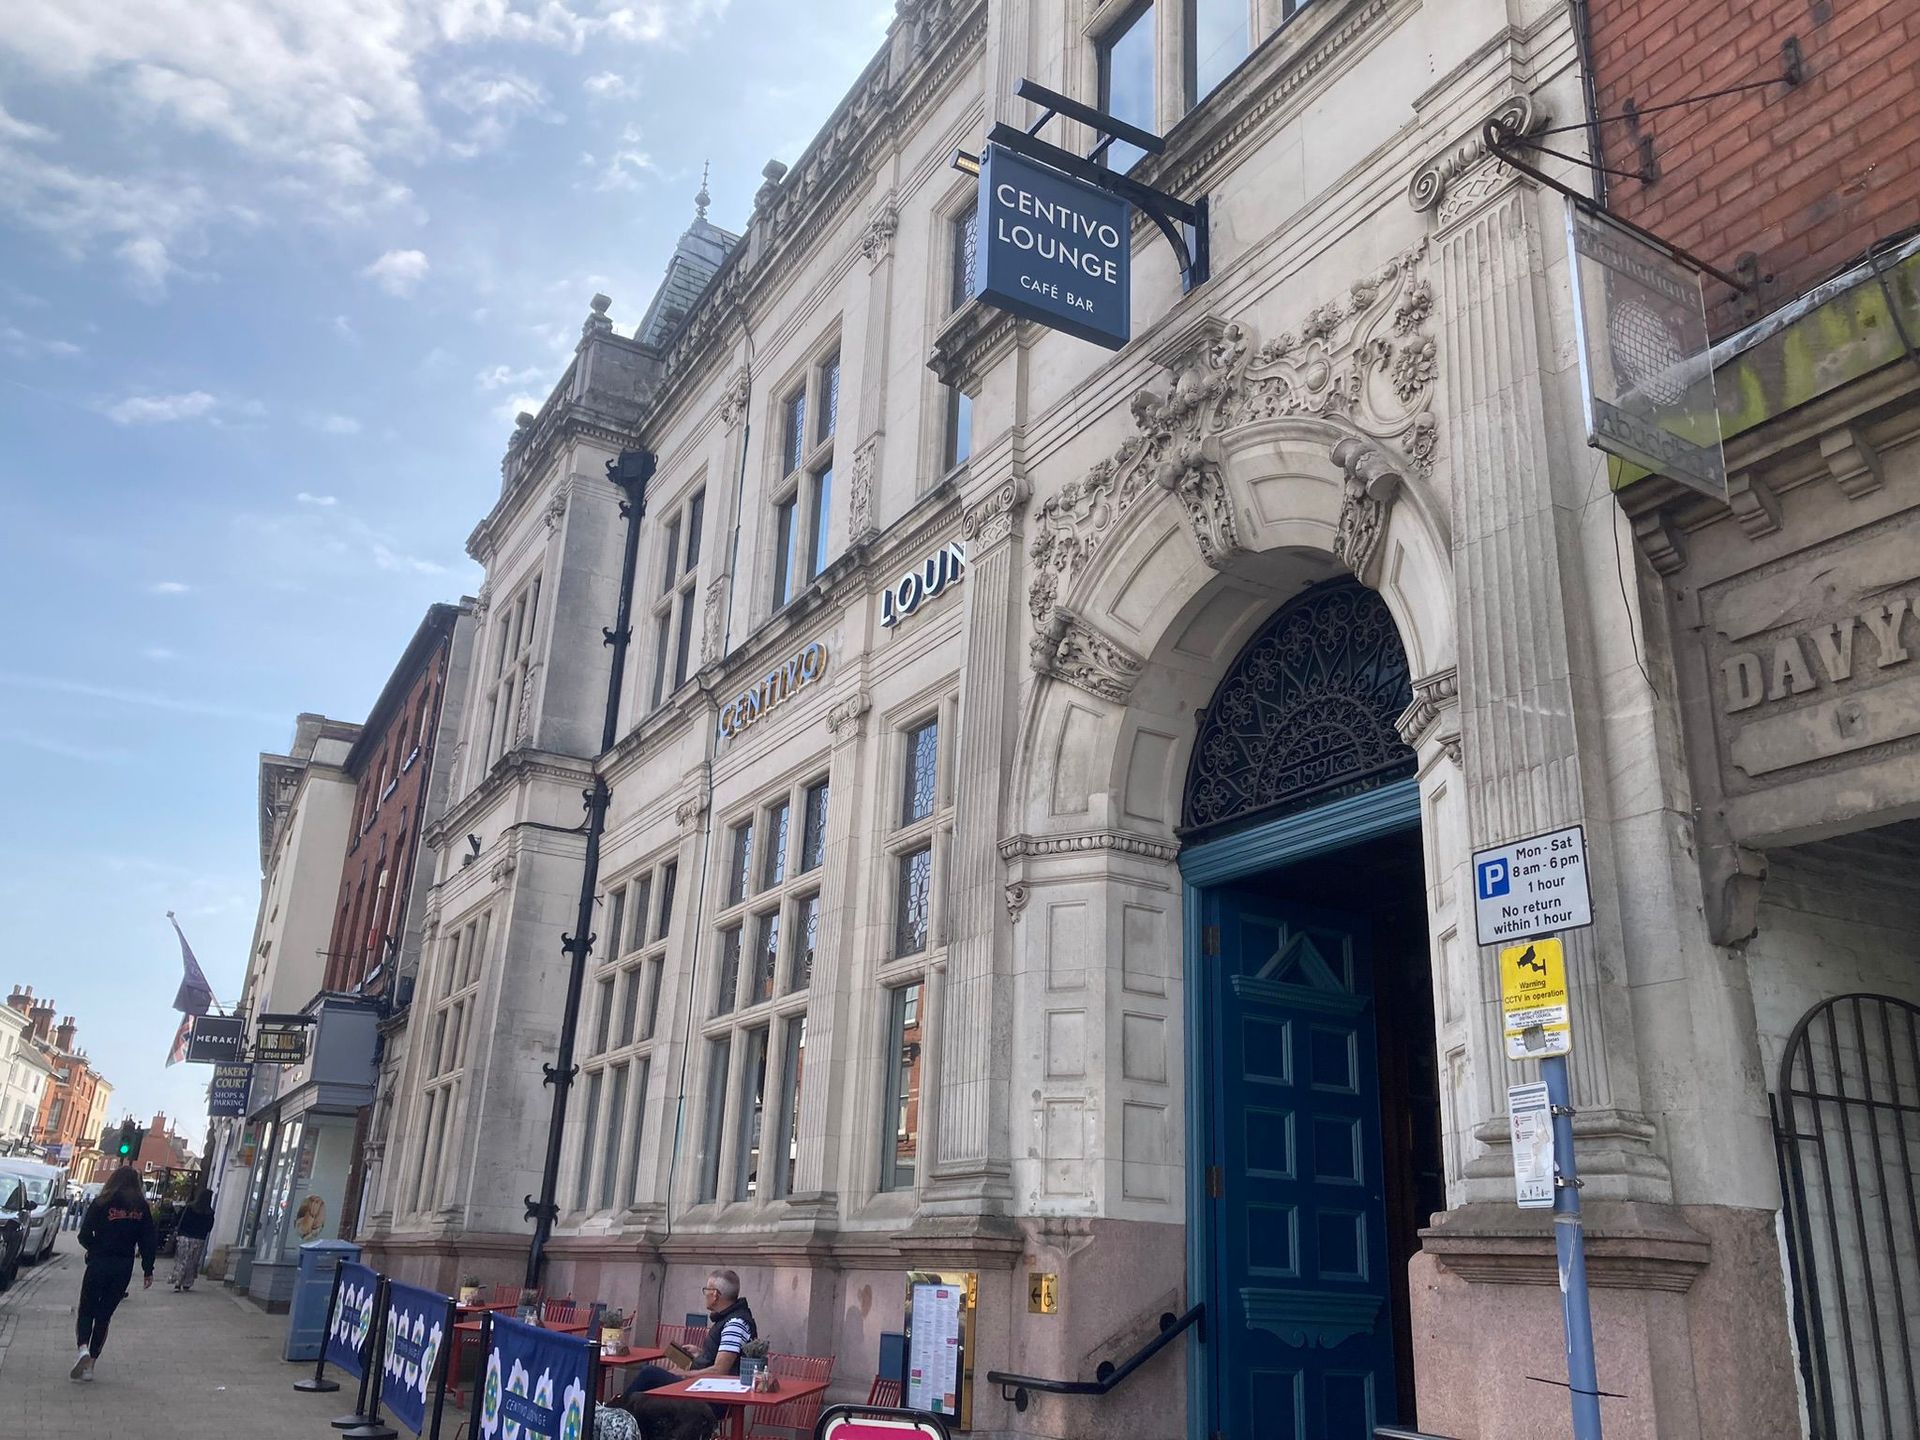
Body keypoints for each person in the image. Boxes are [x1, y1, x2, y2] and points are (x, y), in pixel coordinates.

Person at [72, 1165, 155, 1381]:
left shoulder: (101, 1202)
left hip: (98, 1262)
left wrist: (94, 1248)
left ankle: (82, 1348)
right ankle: (91, 1365)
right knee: (104, 1315)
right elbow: (148, 1240)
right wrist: (148, 1269)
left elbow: (83, 1234)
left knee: (87, 1309)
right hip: (123, 1266)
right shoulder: (141, 1208)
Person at [619, 1269, 757, 1399]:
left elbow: (720, 1371)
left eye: (706, 1290)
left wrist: (684, 1374)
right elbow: (721, 1358)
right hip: (705, 1387)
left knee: (649, 1373)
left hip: (714, 1395)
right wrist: (701, 1354)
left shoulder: (735, 1323)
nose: (705, 1294)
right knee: (647, 1389)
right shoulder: (729, 1318)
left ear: (715, 1294)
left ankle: (616, 1414)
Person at [171, 1189, 215, 1291]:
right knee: (192, 1262)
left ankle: (177, 1281)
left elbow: (178, 1220)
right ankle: (187, 1282)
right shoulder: (209, 1213)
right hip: (199, 1239)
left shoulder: (189, 1207)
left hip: (184, 1237)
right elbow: (209, 1228)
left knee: (181, 1260)